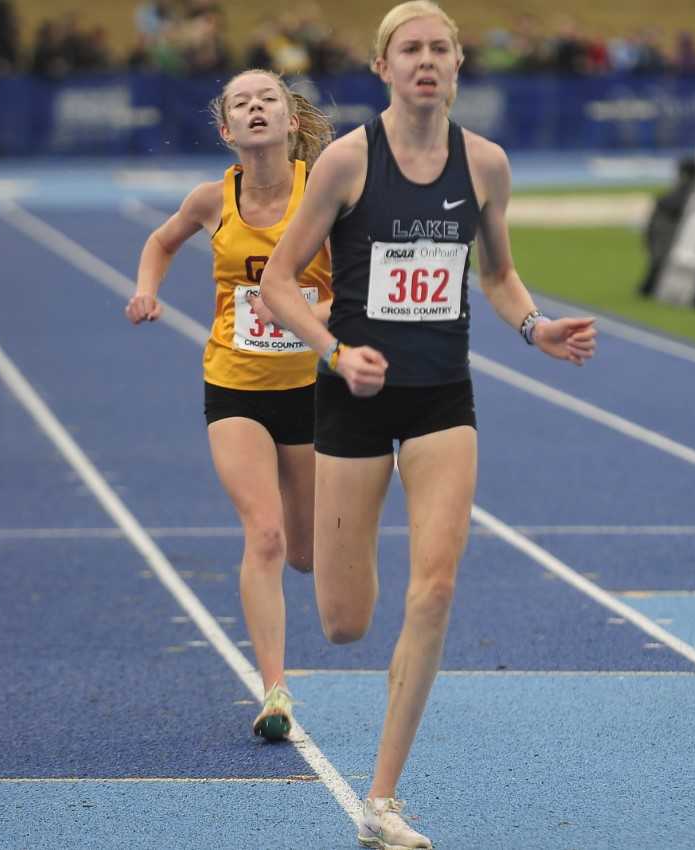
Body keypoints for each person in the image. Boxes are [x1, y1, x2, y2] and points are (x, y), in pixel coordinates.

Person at [259, 3, 597, 847]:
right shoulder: (345, 162)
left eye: (439, 48)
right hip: (355, 399)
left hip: (445, 397)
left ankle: (382, 801)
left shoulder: (485, 165)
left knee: (436, 589)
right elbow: (275, 281)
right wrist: (336, 352)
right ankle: (344, 559)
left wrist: (536, 327)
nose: (426, 61)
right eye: (409, 49)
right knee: (345, 620)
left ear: (457, 64)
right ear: (383, 68)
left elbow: (501, 275)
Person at [124, 69, 334, 742]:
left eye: (267, 98)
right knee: (264, 534)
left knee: (304, 552)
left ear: (291, 119)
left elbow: (360, 272)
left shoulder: (325, 191)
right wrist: (146, 289)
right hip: (235, 387)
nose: (254, 107)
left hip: (309, 391)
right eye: (241, 102)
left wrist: (327, 310)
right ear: (226, 129)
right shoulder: (212, 199)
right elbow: (160, 242)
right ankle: (275, 689)